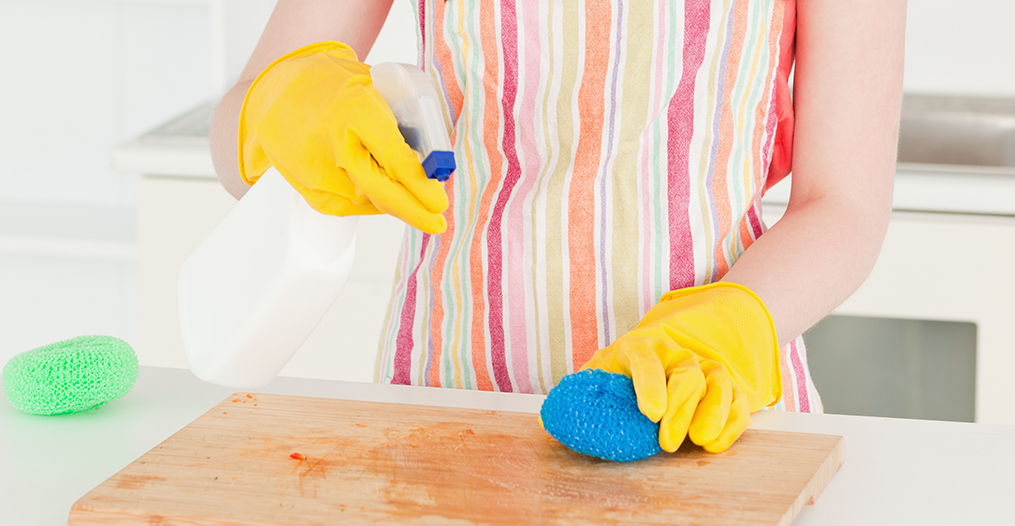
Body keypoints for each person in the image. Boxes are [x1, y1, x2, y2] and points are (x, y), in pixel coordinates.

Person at [211, 0, 906, 453]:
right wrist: (280, 111)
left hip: (703, 410)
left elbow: (843, 202)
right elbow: (233, 129)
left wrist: (721, 330)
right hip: (445, 404)